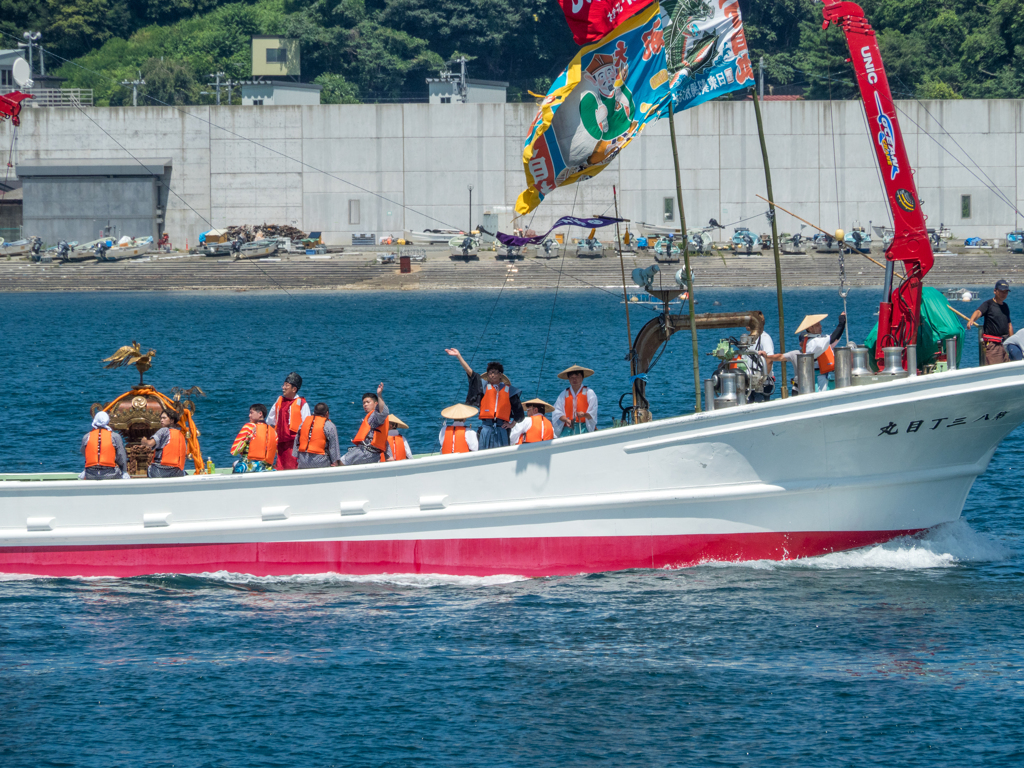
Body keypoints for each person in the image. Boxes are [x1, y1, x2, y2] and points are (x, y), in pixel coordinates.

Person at [445, 348, 524, 449]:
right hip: (486, 429)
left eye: (495, 372)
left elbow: (519, 412)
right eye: (490, 373)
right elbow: (471, 373)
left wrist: (512, 424)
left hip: (502, 429)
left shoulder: (510, 391)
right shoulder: (483, 387)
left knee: (502, 456)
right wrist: (459, 356)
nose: (492, 375)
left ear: (500, 375)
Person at [762, 313, 846, 392]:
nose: (820, 326)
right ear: (810, 328)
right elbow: (833, 338)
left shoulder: (818, 340)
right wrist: (841, 323)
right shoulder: (813, 343)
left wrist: (842, 325)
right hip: (820, 381)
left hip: (825, 378)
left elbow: (835, 338)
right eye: (817, 325)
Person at [266, 372, 310, 470]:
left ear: (294, 389)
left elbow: (307, 425)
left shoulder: (302, 404)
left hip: (294, 444)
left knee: (293, 467)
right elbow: (270, 421)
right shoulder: (279, 401)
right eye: (284, 385)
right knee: (280, 467)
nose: (283, 388)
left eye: (286, 386)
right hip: (280, 443)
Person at [341, 383, 389, 465]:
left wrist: (379, 395)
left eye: (368, 402)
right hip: (370, 454)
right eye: (363, 403)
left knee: (339, 463)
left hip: (366, 452)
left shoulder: (376, 417)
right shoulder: (369, 416)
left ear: (375, 404)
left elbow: (383, 412)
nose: (365, 404)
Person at [968, 280, 1013, 365]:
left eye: (1006, 292)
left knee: (1007, 370)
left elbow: (1009, 325)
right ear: (995, 291)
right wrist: (972, 319)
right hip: (993, 345)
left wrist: (1012, 341)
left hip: (1005, 344)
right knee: (995, 371)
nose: (1004, 294)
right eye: (1001, 291)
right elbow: (978, 312)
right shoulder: (988, 304)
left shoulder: (1005, 306)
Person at [552, 364, 599, 437]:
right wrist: (566, 420)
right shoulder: (564, 393)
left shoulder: (589, 392)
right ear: (568, 379)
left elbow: (593, 413)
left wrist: (584, 414)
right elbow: (556, 412)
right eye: (572, 377)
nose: (574, 380)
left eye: (577, 377)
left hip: (583, 427)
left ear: (582, 378)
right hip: (567, 428)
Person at [81, 411, 129, 480]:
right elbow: (121, 457)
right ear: (108, 422)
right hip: (110, 473)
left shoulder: (87, 436)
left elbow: (84, 452)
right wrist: (124, 471)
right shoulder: (115, 436)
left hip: (90, 474)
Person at [140, 408, 188, 478]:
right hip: (176, 471)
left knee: (149, 469)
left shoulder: (163, 430)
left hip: (159, 471)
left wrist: (144, 441)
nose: (161, 420)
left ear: (171, 420)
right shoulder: (181, 435)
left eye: (164, 418)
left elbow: (150, 443)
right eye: (161, 418)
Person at [230, 404, 277, 473]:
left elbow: (234, 451)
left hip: (249, 467)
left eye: (251, 413)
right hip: (266, 468)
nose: (249, 415)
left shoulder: (249, 427)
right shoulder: (273, 432)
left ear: (260, 414)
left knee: (234, 464)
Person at [295, 403, 341, 469]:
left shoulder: (303, 424)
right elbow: (333, 447)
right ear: (327, 414)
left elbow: (296, 442)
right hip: (320, 462)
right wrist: (335, 462)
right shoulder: (329, 425)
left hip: (303, 461)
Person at [749, 330, 776, 402]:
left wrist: (763, 379)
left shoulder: (764, 338)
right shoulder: (749, 338)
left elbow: (769, 359)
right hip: (749, 385)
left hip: (761, 386)